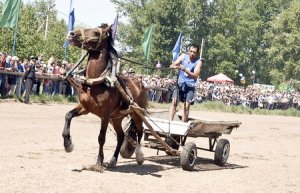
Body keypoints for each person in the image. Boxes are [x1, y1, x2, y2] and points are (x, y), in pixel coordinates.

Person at [169, 44, 203, 122]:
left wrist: (185, 70)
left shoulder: (198, 62)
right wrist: (175, 67)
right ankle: (169, 122)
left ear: (197, 53)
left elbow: (195, 76)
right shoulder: (183, 56)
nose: (192, 53)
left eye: (194, 52)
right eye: (191, 51)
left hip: (190, 86)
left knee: (186, 106)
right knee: (174, 103)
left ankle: (183, 125)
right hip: (180, 84)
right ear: (188, 51)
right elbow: (171, 65)